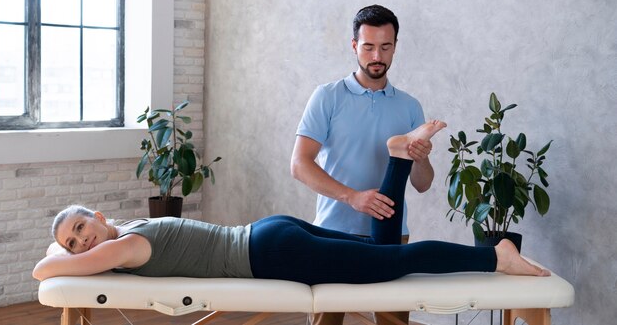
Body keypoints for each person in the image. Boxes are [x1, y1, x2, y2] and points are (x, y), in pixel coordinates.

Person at [33, 121, 550, 284]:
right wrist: (71, 246)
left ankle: (493, 255)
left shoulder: (118, 246)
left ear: (98, 218)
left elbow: (42, 272)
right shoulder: (127, 227)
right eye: (74, 243)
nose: (81, 244)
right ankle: (396, 159)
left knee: (393, 262)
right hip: (267, 231)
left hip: (270, 254)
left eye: (80, 229)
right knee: (380, 249)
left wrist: (59, 256)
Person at [291, 5, 433, 325]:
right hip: (332, 233)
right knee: (326, 322)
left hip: (393, 235)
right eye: (368, 47)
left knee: (393, 322)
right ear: (354, 46)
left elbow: (423, 183)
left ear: (395, 46)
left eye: (385, 46)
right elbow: (300, 164)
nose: (377, 56)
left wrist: (421, 159)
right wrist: (353, 197)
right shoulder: (327, 96)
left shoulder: (410, 106)